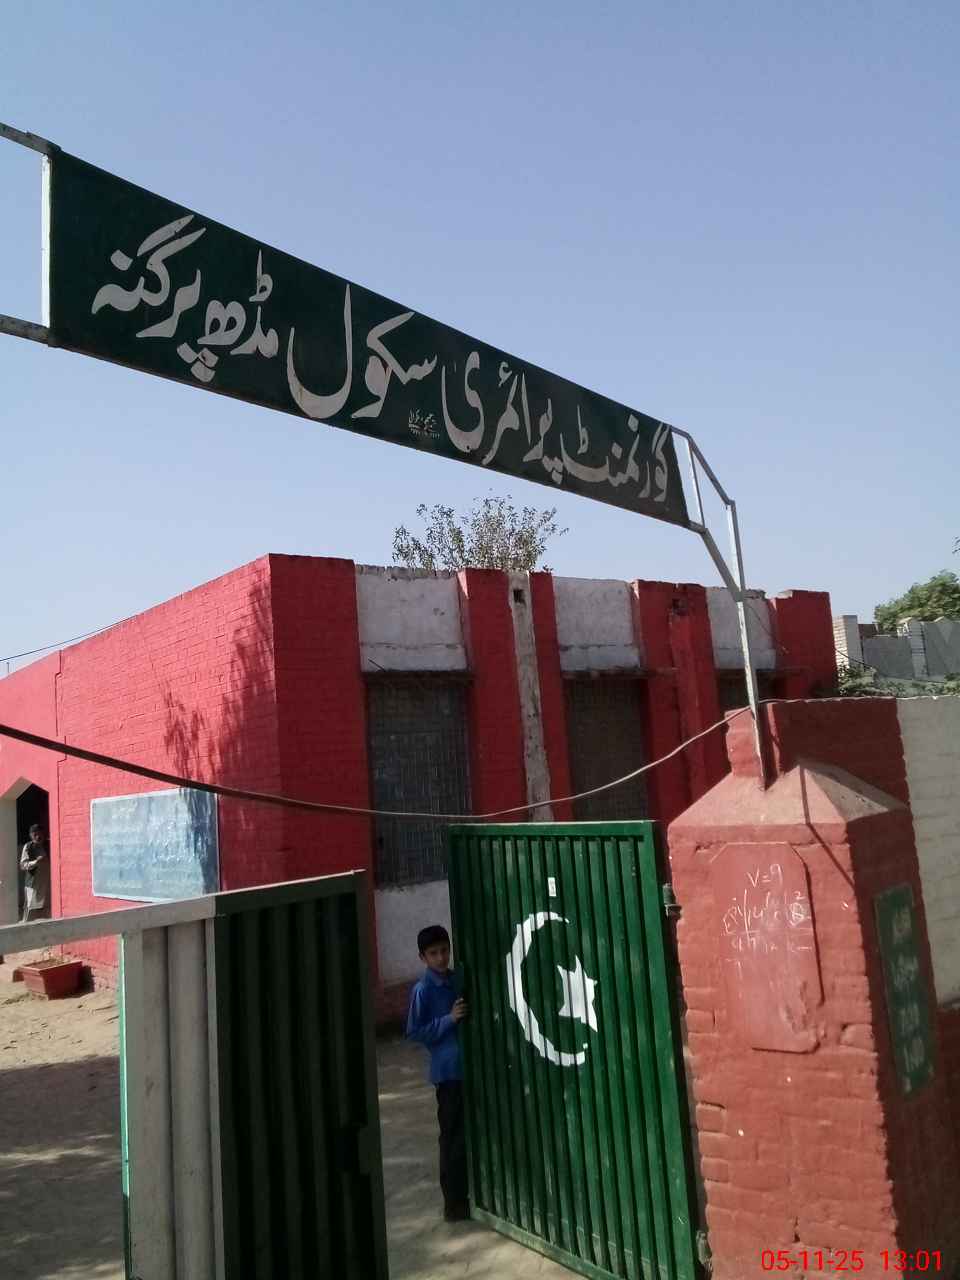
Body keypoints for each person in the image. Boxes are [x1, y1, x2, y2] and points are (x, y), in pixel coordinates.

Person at [405, 923, 469, 1222]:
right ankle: (453, 1204)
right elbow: (414, 1031)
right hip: (448, 1073)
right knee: (452, 1138)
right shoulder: (423, 990)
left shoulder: (456, 980)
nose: (441, 958)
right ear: (423, 958)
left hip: (466, 1068)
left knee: (468, 1135)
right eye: (434, 953)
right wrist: (448, 1020)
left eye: (444, 950)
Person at [20, 824, 50, 923]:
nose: (38, 837)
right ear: (31, 835)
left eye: (40, 834)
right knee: (30, 911)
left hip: (47, 885)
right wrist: (36, 862)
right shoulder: (28, 847)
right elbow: (23, 865)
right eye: (35, 834)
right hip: (33, 884)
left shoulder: (49, 845)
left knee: (47, 913)